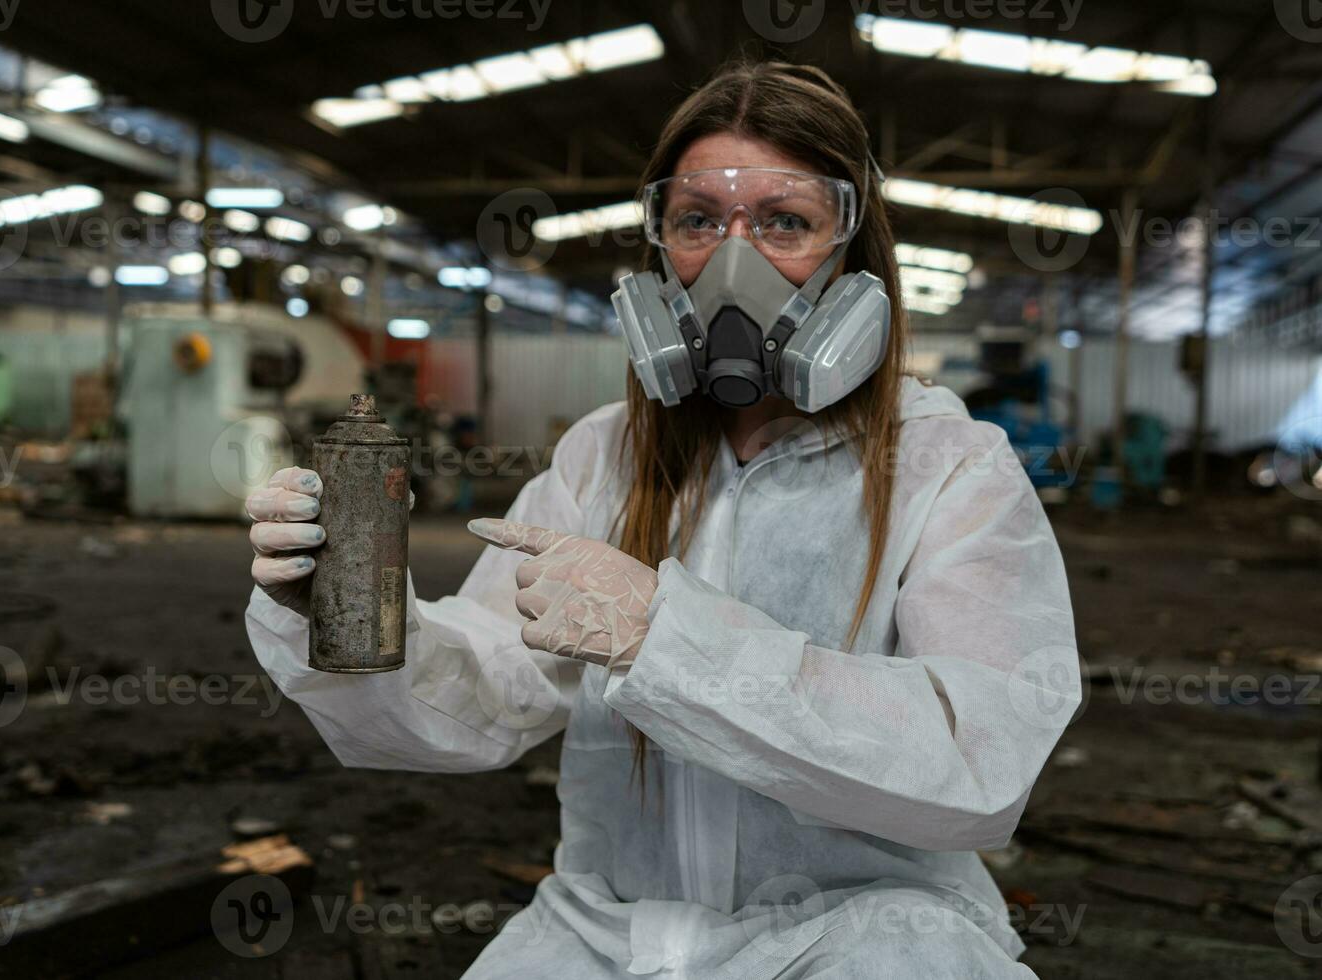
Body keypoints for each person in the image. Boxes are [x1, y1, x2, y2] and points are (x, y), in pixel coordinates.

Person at [246, 61, 1080, 979]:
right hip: (612, 933)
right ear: (659, 252)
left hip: (869, 933)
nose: (734, 262)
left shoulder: (945, 466)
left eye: (785, 222)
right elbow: (483, 696)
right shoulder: (604, 457)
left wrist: (666, 639)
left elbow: (979, 764)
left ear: (852, 256)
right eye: (696, 221)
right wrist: (339, 613)